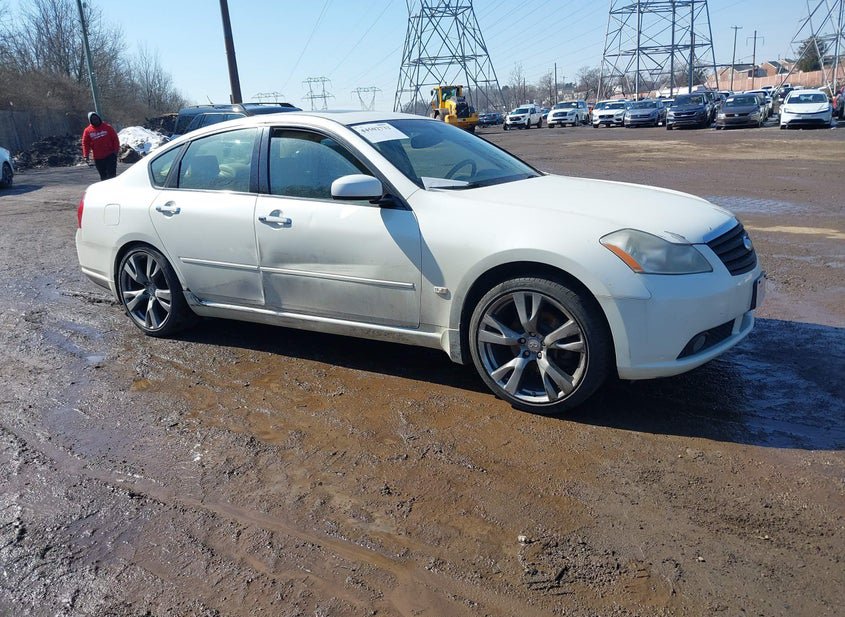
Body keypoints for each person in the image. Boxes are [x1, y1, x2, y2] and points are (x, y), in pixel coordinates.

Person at [81, 112, 120, 180]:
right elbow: (85, 143)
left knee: (111, 175)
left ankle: (113, 189)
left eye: (96, 118)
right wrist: (86, 155)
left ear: (99, 118)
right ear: (90, 121)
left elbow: (115, 139)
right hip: (98, 157)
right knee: (103, 176)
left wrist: (115, 151)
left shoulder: (107, 127)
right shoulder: (87, 131)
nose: (95, 120)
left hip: (110, 155)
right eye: (93, 119)